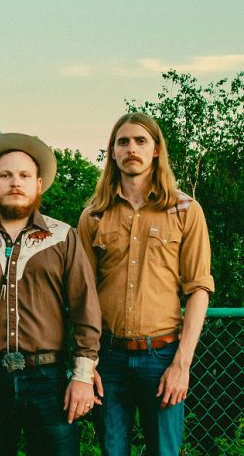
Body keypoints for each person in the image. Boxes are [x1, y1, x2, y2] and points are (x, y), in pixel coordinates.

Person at [0, 133, 102, 456]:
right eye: (6, 175)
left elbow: (86, 310)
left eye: (24, 175)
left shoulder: (62, 237)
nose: (15, 182)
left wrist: (82, 376)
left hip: (48, 380)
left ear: (38, 184)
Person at [77, 113, 215, 455]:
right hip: (107, 358)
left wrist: (181, 365)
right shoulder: (93, 215)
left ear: (156, 150)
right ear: (112, 152)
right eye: (122, 142)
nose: (131, 149)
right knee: (112, 450)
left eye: (141, 141)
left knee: (164, 451)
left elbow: (198, 289)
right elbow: (83, 294)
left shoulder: (185, 210)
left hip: (163, 355)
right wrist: (86, 362)